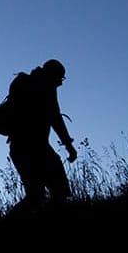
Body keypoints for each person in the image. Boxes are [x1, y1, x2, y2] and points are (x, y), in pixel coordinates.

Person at [5, 59, 78, 214]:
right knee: (51, 193)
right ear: (52, 75)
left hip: (22, 148)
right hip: (33, 149)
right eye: (60, 78)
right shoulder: (44, 88)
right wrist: (69, 146)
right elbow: (55, 118)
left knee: (37, 196)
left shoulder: (23, 82)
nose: (61, 83)